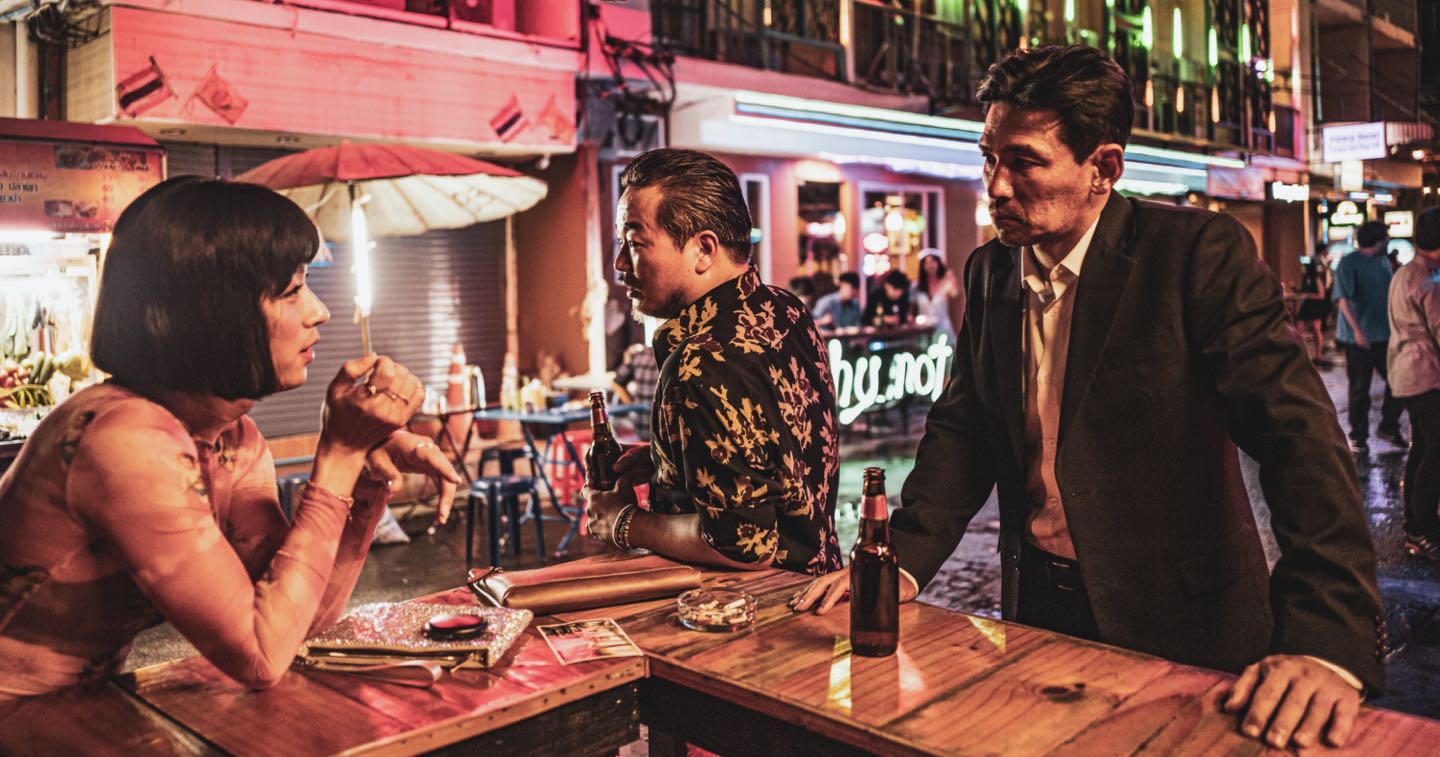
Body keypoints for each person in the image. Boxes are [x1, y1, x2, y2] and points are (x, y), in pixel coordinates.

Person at [792, 44, 1383, 751]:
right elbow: (963, 428)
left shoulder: (1195, 255)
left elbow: (1298, 437)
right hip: (1038, 604)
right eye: (988, 158)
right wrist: (903, 563)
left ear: (1103, 168)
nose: (996, 185)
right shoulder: (989, 271)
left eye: (1024, 162)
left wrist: (1326, 638)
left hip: (1183, 617)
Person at [0, 177, 460, 700]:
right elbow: (258, 657)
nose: (319, 311)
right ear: (214, 314)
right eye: (292, 291)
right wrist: (340, 452)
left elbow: (297, 625)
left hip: (79, 711)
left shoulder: (231, 439)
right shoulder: (121, 437)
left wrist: (361, 473)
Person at [585, 148, 843, 575]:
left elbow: (743, 546)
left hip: (758, 605)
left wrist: (623, 521)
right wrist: (673, 460)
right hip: (820, 581)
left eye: (634, 243)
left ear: (703, 249)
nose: (619, 264)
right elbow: (774, 458)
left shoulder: (699, 363)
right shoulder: (785, 308)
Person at [1387, 208, 1440, 561]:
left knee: (1422, 449)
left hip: (1406, 374)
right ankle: (1421, 529)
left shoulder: (1404, 272)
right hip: (1426, 375)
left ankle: (1414, 525)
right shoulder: (1428, 280)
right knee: (1434, 452)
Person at [1334, 220, 1405, 452]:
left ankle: (1389, 425)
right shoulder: (1349, 263)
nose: (1388, 241)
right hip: (1359, 339)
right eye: (1385, 237)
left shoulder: (1383, 261)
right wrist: (1358, 332)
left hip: (1384, 335)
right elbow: (1344, 300)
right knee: (1359, 389)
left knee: (1398, 382)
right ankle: (1358, 436)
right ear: (1377, 240)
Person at [914, 249, 958, 344]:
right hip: (923, 331)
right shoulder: (917, 286)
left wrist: (950, 278)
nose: (930, 265)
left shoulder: (946, 283)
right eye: (926, 262)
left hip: (943, 329)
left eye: (933, 261)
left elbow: (955, 293)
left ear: (938, 263)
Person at [1296, 254, 1333, 361]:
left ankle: (1318, 354)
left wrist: (1307, 295)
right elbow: (1304, 292)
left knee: (1316, 330)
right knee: (1299, 329)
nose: (1302, 269)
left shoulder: (1316, 278)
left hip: (1315, 306)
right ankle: (1300, 353)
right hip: (1307, 305)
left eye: (1304, 267)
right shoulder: (1306, 279)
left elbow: (1321, 295)